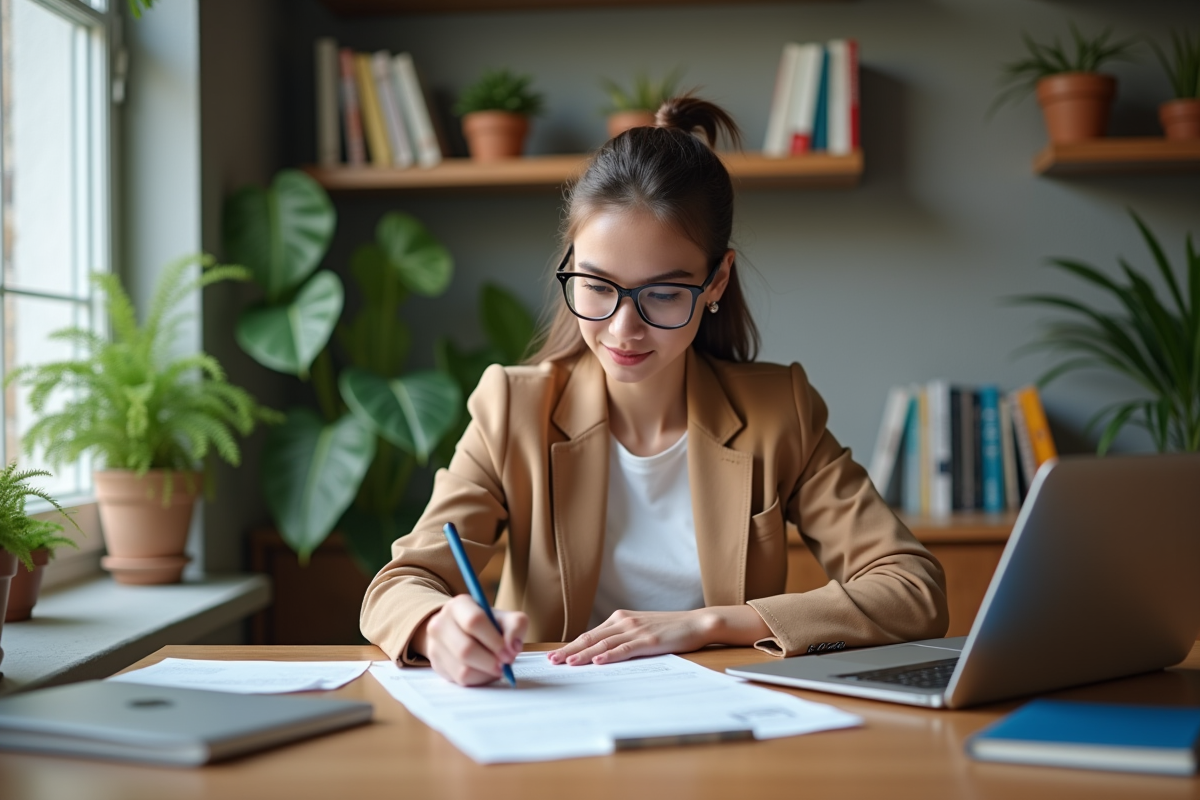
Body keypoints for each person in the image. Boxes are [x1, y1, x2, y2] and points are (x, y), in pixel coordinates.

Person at [361, 95, 948, 687]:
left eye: (663, 294)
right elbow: (398, 585)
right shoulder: (514, 408)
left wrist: (710, 623)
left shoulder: (778, 412)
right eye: (596, 285)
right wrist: (438, 624)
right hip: (553, 723)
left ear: (716, 280)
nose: (623, 329)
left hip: (723, 725)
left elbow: (912, 590)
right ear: (572, 263)